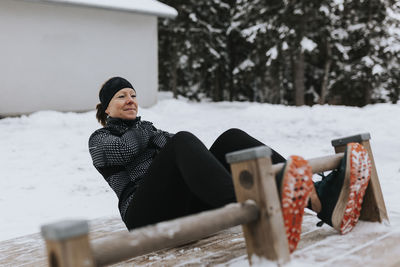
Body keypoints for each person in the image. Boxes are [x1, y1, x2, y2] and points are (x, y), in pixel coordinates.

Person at [89, 77, 371, 252]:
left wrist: (157, 136)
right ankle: (254, 206)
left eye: (133, 95)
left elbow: (183, 150)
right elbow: (125, 148)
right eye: (121, 96)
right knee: (182, 141)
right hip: (142, 217)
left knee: (231, 138)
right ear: (105, 108)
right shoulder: (100, 139)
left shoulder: (150, 131)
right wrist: (151, 132)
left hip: (181, 208)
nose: (131, 100)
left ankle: (318, 196)